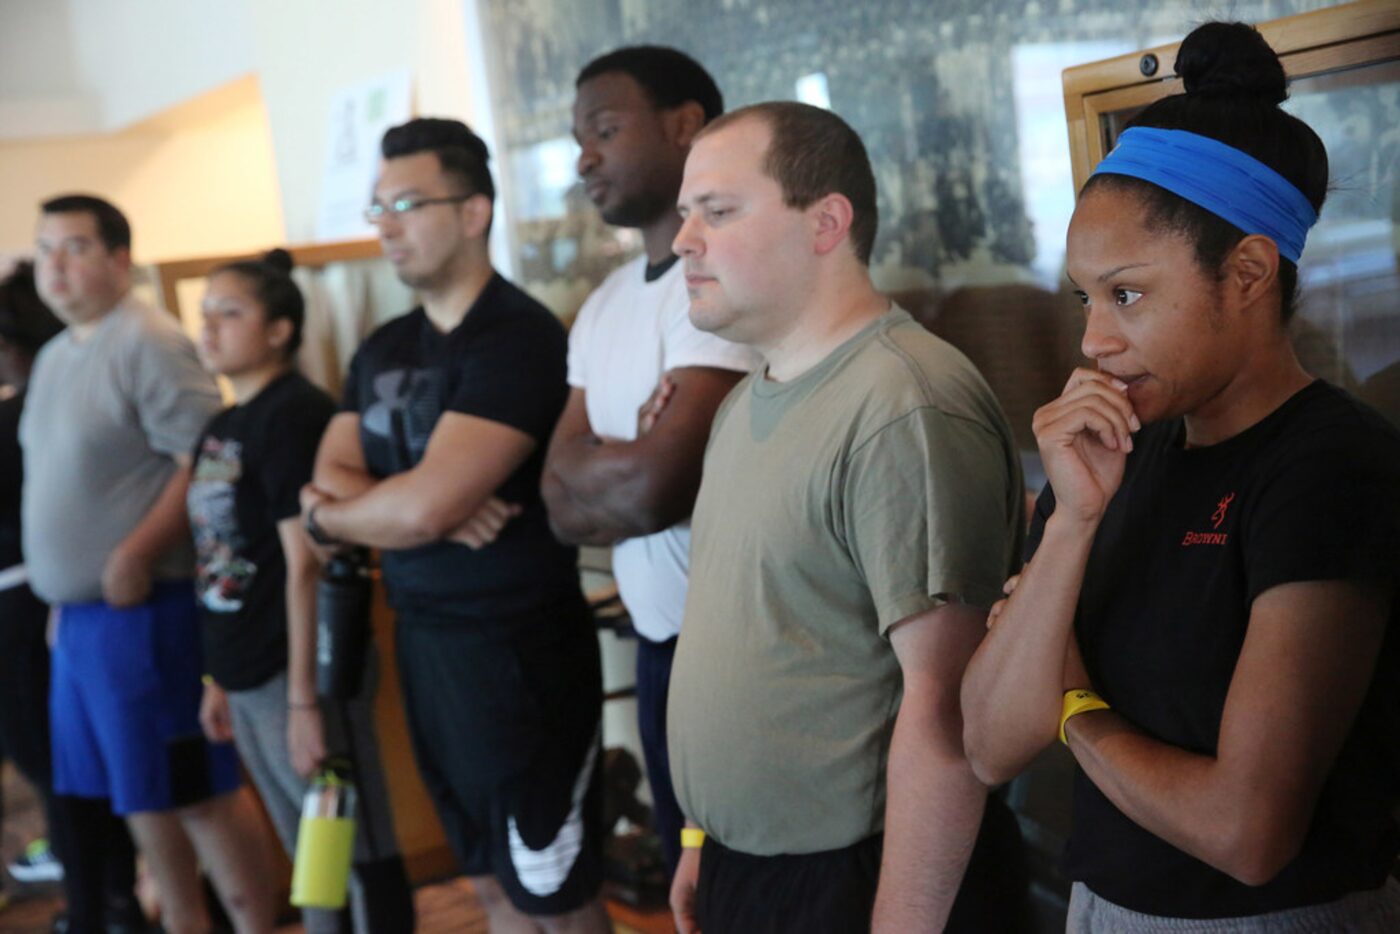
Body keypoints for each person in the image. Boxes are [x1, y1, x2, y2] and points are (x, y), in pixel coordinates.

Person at [960, 22, 1400, 931]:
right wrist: (1073, 524)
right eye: (1087, 297)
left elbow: (1247, 833)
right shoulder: (1114, 455)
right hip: (1102, 907)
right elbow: (991, 744)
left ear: (1246, 272)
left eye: (1127, 294)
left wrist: (1076, 707)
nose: (1092, 340)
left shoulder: (1331, 469)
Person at [665, 102, 1027, 933]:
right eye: (687, 213)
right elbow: (749, 640)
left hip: (861, 877)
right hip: (744, 862)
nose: (685, 239)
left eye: (716, 212)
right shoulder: (747, 395)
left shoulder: (905, 404)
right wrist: (701, 833)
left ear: (827, 222)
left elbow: (946, 712)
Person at [300, 118, 609, 933]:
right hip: (424, 643)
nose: (385, 224)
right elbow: (329, 481)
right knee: (488, 882)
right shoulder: (382, 346)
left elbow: (413, 508)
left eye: (406, 201)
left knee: (555, 889)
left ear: (475, 211)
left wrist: (370, 514)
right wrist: (393, 509)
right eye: (377, 206)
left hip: (517, 651)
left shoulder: (518, 337)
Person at [23, 195, 273, 934]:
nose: (55, 266)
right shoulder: (56, 353)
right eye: (45, 250)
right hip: (81, 620)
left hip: (148, 608)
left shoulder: (149, 337)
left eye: (73, 247)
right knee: (136, 795)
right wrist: (60, 601)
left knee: (194, 791)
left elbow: (205, 460)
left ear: (118, 259)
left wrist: (135, 551)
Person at [542, 45, 756, 882]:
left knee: (748, 888)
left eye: (603, 129)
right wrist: (613, 466)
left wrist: (613, 466)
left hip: (739, 650)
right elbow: (557, 501)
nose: (583, 157)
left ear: (684, 125)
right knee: (687, 883)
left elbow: (659, 482)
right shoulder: (602, 304)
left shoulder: (718, 283)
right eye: (576, 138)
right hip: (659, 648)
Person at [189, 249, 415, 933]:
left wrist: (303, 700)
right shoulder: (224, 425)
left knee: (353, 849)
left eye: (231, 313)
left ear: (279, 328)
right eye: (206, 314)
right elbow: (220, 558)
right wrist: (217, 678)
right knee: (310, 857)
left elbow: (305, 563)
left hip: (304, 675)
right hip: (249, 674)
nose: (211, 328)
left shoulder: (295, 415)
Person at [0, 261, 149, 934]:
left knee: (68, 771)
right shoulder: (35, 407)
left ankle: (104, 906)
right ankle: (103, 901)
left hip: (37, 604)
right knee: (65, 770)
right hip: (40, 604)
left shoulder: (33, 411)